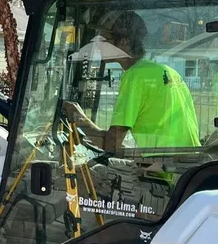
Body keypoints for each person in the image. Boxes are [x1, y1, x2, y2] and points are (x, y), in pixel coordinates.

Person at [65, 10, 200, 150]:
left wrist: (80, 120)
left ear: (124, 42)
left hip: (165, 163)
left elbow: (111, 144)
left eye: (103, 40)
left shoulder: (134, 76)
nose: (97, 45)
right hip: (189, 159)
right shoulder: (166, 71)